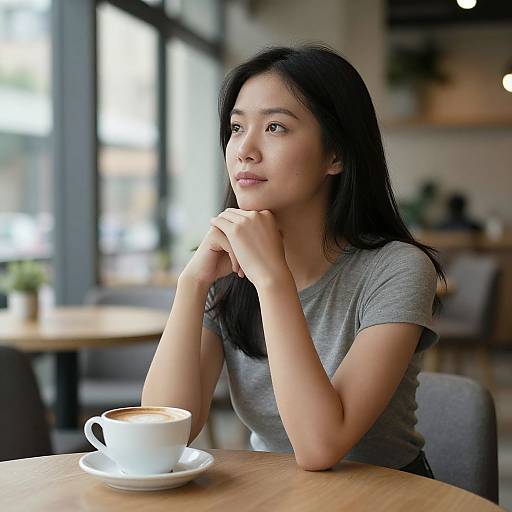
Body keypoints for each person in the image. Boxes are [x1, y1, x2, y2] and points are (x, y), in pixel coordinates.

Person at [142, 44, 444, 478]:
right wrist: (192, 284)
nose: (244, 149)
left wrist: (271, 279)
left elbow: (322, 446)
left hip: (385, 496)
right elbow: (163, 435)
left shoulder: (397, 269)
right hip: (275, 491)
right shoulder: (225, 270)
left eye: (276, 127)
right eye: (235, 127)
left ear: (335, 154)